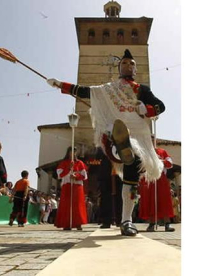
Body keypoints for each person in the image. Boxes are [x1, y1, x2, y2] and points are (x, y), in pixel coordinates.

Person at [47, 49, 165, 236]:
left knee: (132, 170)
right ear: (120, 68)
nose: (128, 66)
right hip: (112, 132)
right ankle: (119, 146)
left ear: (135, 69)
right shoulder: (108, 89)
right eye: (125, 63)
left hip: (137, 135)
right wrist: (61, 84)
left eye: (132, 63)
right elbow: (85, 91)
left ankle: (126, 220)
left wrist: (146, 108)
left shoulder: (143, 90)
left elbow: (161, 106)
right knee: (120, 142)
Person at [138, 140, 175, 232]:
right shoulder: (143, 152)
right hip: (148, 179)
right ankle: (152, 224)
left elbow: (170, 164)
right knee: (150, 201)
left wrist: (159, 161)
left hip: (161, 179)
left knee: (164, 201)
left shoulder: (162, 151)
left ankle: (167, 224)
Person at [55, 146, 88, 230]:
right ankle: (66, 223)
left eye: (74, 152)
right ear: (68, 152)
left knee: (77, 204)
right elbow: (60, 175)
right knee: (66, 204)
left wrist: (76, 176)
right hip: (67, 185)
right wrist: (69, 168)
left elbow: (84, 176)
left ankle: (78, 223)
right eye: (71, 151)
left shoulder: (80, 163)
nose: (73, 153)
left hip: (77, 186)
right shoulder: (63, 163)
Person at [96, 148, 123, 228]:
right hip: (106, 175)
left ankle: (120, 220)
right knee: (105, 198)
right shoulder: (103, 145)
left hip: (119, 174)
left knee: (120, 198)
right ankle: (106, 221)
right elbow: (98, 157)